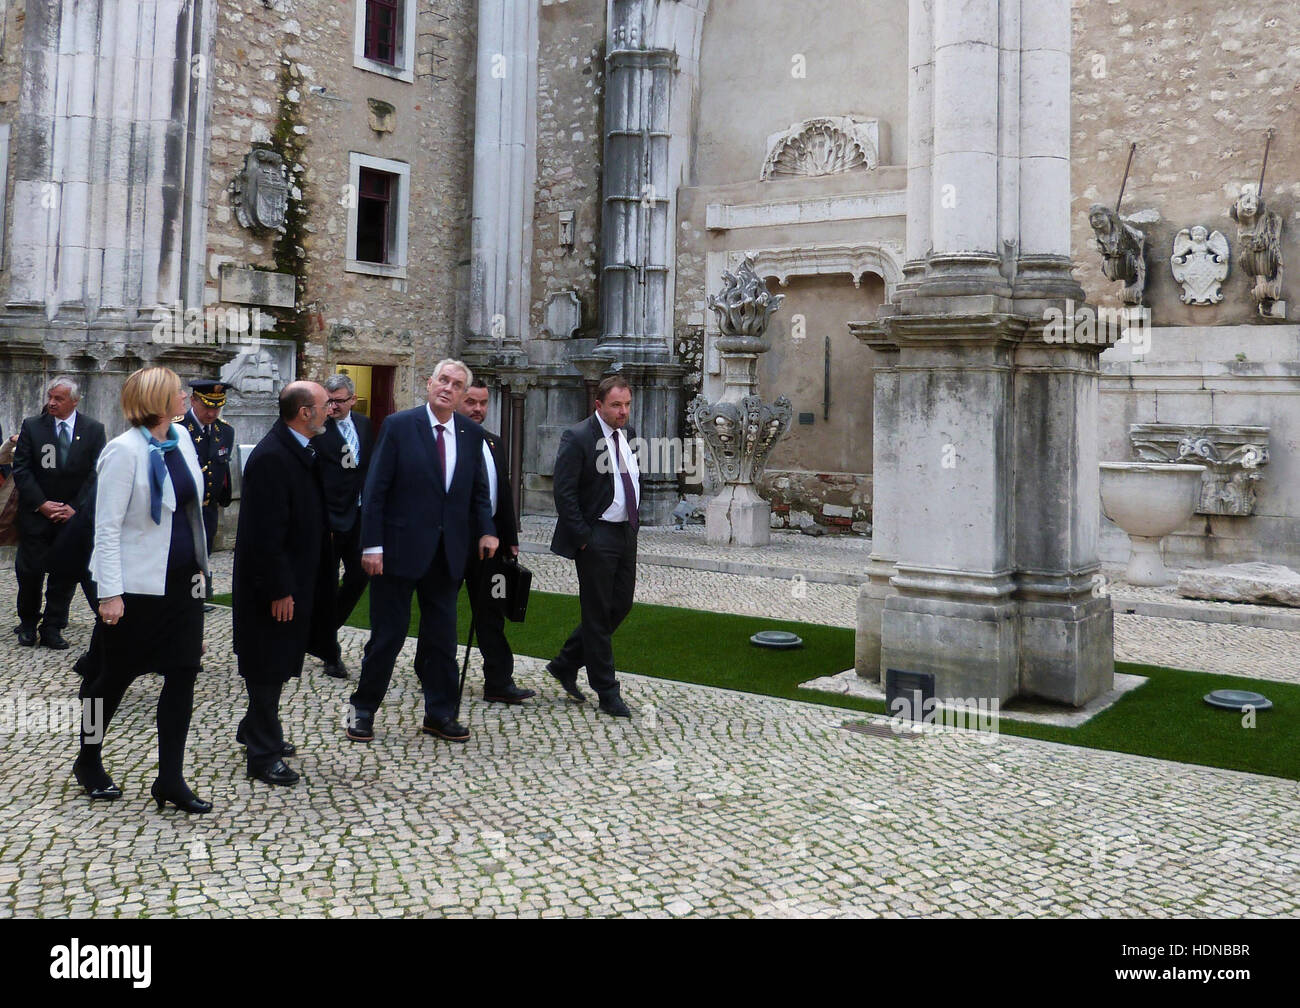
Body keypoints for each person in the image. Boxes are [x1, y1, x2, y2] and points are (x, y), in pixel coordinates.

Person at [76, 367, 211, 813]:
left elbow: (190, 511)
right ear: (156, 399)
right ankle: (88, 760)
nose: (184, 397)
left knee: (183, 676)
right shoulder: (123, 451)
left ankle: (170, 778)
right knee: (111, 680)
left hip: (182, 585)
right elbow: (106, 528)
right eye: (177, 392)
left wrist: (202, 572)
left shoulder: (182, 439)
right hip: (134, 588)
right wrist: (109, 593)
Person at [346, 360, 498, 744]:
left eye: (457, 384)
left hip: (448, 555)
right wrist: (372, 545)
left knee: (442, 640)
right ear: (429, 384)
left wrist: (487, 530)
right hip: (397, 552)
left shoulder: (470, 433)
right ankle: (363, 709)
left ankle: (439, 713)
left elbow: (478, 491)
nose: (448, 388)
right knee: (387, 638)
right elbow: (376, 490)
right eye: (442, 380)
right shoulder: (400, 426)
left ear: (464, 394)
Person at [232, 381, 334, 787]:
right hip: (271, 587)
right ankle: (262, 753)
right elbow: (264, 532)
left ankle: (254, 728)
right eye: (326, 405)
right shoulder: (273, 456)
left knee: (279, 659)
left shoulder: (300, 449)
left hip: (298, 577)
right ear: (304, 412)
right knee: (267, 664)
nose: (332, 410)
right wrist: (279, 588)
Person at [545, 374, 640, 718]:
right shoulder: (579, 436)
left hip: (624, 533)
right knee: (598, 614)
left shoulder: (626, 436)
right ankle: (607, 691)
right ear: (598, 405)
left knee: (620, 605)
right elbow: (564, 491)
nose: (623, 411)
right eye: (616, 405)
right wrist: (583, 537)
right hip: (596, 535)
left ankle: (565, 662)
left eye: (627, 404)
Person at [11, 377, 106, 649]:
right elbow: (22, 469)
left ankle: (53, 626)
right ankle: (28, 623)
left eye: (59, 398)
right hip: (36, 514)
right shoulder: (33, 426)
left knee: (64, 575)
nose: (51, 402)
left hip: (71, 517)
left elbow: (95, 472)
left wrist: (75, 507)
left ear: (74, 401)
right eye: (50, 397)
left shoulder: (93, 429)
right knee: (29, 573)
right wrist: (41, 503)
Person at [455, 379, 533, 705]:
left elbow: (502, 493)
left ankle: (498, 681)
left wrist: (510, 539)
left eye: (483, 403)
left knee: (491, 612)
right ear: (458, 401)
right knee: (440, 611)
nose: (478, 409)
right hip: (453, 543)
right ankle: (430, 670)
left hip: (491, 547)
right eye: (472, 402)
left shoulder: (493, 443)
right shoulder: (446, 442)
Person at [310, 373, 374, 679]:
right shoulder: (317, 428)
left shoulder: (364, 424)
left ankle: (319, 632)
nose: (332, 406)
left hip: (360, 515)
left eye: (338, 401)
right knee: (324, 583)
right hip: (328, 519)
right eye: (328, 400)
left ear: (352, 400)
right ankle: (330, 652)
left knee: (360, 575)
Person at [179, 379, 234, 607]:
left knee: (204, 557)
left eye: (217, 407)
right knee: (184, 558)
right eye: (207, 406)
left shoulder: (225, 431)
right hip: (183, 509)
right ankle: (182, 600)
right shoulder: (179, 428)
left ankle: (197, 600)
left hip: (209, 508)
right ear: (193, 400)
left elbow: (222, 467)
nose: (212, 413)